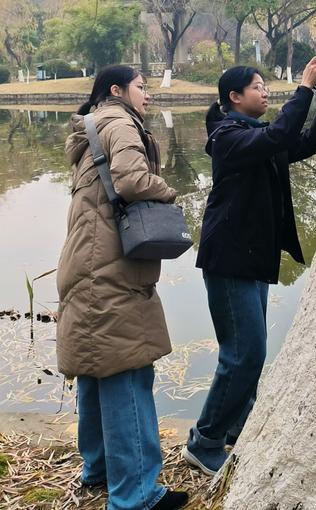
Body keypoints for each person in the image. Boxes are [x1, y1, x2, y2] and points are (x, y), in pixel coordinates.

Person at [182, 58, 316, 474]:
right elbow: (280, 134)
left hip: (253, 257)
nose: (264, 90)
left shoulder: (257, 134)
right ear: (234, 98)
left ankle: (240, 429)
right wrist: (304, 90)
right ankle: (205, 442)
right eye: (257, 86)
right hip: (231, 258)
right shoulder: (227, 136)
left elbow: (301, 143)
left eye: (264, 84)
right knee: (244, 355)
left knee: (248, 352)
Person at [56, 65, 188, 510]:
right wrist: (170, 192)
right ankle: (136, 496)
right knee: (128, 373)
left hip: (84, 263)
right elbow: (133, 181)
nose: (147, 96)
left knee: (97, 370)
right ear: (117, 91)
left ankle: (98, 471)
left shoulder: (93, 127)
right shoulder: (120, 123)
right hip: (110, 270)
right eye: (141, 88)